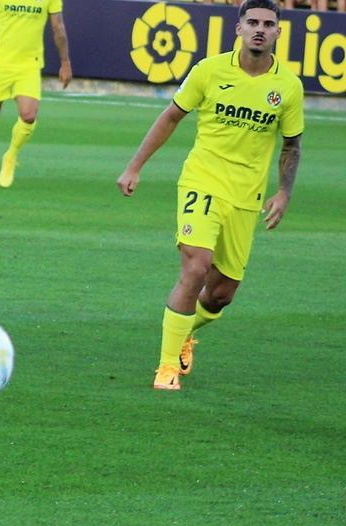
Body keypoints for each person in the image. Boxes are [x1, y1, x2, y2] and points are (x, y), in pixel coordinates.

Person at [116, 0, 303, 391]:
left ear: (278, 33)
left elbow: (291, 145)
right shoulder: (209, 70)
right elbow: (170, 116)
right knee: (196, 266)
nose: (259, 29)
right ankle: (166, 369)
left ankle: (185, 330)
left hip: (246, 195)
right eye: (252, 21)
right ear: (238, 28)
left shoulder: (288, 87)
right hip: (202, 181)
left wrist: (283, 193)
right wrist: (135, 166)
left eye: (268, 24)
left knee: (220, 294)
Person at [0, 0, 72, 189]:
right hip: (1, 62)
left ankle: (11, 156)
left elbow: (58, 27)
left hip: (29, 65)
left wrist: (65, 61)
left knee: (29, 116)